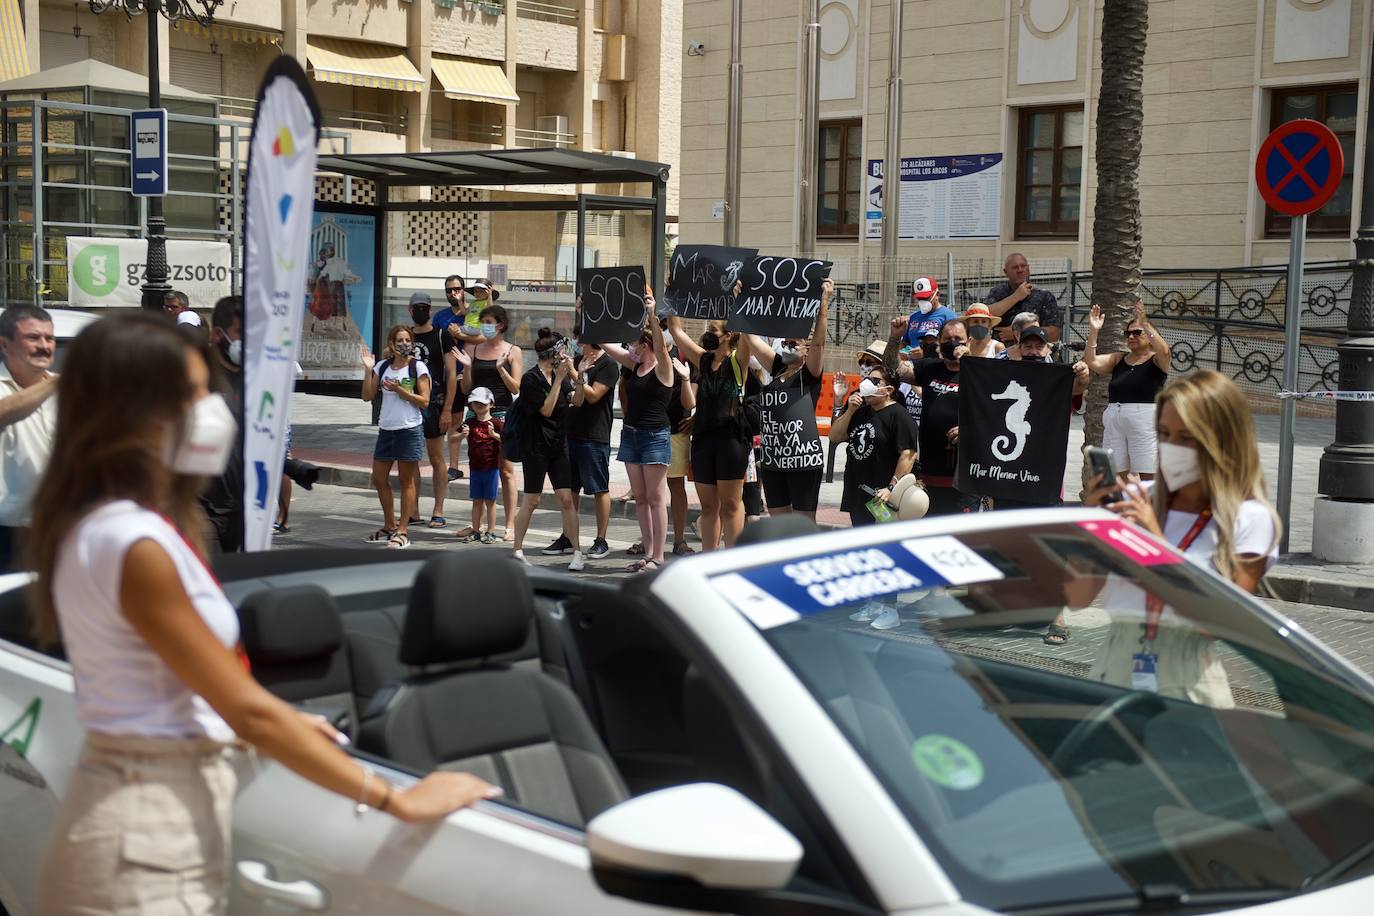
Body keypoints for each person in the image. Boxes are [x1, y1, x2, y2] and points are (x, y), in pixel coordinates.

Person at [28, 314, 498, 914]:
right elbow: (244, 709)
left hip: (157, 813)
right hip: (140, 832)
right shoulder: (130, 541)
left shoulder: (126, 525)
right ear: (134, 411)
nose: (212, 409)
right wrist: (393, 799)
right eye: (194, 394)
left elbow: (177, 685)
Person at [1080, 370, 1280, 701]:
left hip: (1186, 681)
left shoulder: (1250, 519)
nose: (1171, 447)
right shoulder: (1140, 497)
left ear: (1221, 440)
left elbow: (1216, 624)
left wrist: (1154, 541)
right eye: (1164, 433)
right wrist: (1093, 528)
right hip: (1111, 668)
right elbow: (1078, 596)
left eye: (1186, 437)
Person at [599, 295, 675, 571]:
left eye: (633, 344)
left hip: (655, 436)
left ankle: (659, 556)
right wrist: (587, 317)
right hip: (631, 434)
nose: (629, 349)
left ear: (646, 345)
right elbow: (607, 347)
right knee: (641, 498)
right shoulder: (636, 365)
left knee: (656, 498)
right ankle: (647, 552)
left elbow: (663, 351)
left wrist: (653, 316)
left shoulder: (663, 369)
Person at [748, 278, 833, 520]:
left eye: (793, 344)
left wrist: (823, 304)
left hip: (803, 460)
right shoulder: (776, 368)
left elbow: (819, 343)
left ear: (805, 350)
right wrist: (740, 302)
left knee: (803, 527)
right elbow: (751, 339)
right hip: (774, 459)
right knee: (780, 525)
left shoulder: (809, 374)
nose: (787, 346)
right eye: (784, 343)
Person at [668, 314, 755, 551]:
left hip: (731, 441)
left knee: (731, 505)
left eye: (713, 331)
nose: (707, 334)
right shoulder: (703, 360)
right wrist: (674, 296)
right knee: (708, 507)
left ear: (728, 336)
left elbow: (748, 333)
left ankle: (733, 560)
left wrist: (743, 301)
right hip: (703, 441)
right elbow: (676, 331)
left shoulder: (738, 362)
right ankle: (709, 557)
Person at [511, 329, 584, 570]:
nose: (565, 355)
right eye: (562, 351)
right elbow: (546, 410)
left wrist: (579, 377)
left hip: (558, 445)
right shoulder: (530, 379)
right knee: (532, 500)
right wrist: (560, 380)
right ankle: (518, 549)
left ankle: (577, 552)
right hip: (536, 446)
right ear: (552, 354)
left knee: (566, 499)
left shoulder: (560, 375)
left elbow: (579, 401)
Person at [549, 332, 620, 559]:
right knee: (570, 489)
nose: (576, 344)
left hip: (595, 435)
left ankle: (601, 540)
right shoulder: (577, 360)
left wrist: (574, 372)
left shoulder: (608, 365)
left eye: (579, 339)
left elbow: (593, 396)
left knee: (599, 488)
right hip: (571, 432)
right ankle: (568, 536)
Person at [360, 325, 430, 549]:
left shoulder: (417, 367)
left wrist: (401, 391)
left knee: (405, 480)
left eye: (407, 340)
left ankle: (403, 531)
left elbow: (425, 401)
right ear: (391, 343)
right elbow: (367, 396)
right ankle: (389, 524)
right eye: (399, 340)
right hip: (386, 428)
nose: (404, 344)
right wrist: (368, 370)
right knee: (378, 478)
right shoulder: (382, 366)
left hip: (409, 429)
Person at [1084, 301, 1171, 479]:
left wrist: (1145, 323)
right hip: (1115, 416)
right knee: (1117, 472)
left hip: (1144, 418)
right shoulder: (1119, 358)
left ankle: (1149, 506)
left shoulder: (1156, 360)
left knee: (1148, 472)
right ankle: (1127, 504)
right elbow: (1091, 361)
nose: (1131, 336)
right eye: (1127, 333)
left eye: (1136, 333)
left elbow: (1165, 351)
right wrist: (1094, 331)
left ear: (1148, 336)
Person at [0, 305, 57, 572]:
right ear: (4, 344)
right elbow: (5, 412)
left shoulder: (72, 388)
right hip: (10, 531)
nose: (44, 346)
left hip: (61, 524)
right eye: (33, 338)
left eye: (49, 338)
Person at [457, 304, 521, 539]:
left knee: (505, 470)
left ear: (500, 325)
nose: (485, 326)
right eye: (482, 322)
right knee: (478, 465)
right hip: (476, 413)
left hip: (502, 413)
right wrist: (466, 367)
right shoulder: (475, 349)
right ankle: (477, 526)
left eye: (489, 322)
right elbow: (466, 388)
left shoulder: (512, 351)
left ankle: (510, 524)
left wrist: (501, 369)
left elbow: (516, 387)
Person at [829, 364, 917, 530]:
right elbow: (835, 437)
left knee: (885, 541)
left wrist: (891, 488)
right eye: (867, 379)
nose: (867, 383)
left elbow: (908, 454)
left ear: (889, 390)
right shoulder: (861, 412)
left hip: (882, 496)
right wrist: (847, 408)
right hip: (858, 491)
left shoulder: (899, 415)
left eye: (875, 381)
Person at [910, 320, 978, 516]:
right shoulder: (929, 367)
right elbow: (893, 370)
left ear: (969, 341)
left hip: (965, 479)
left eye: (959, 339)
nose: (954, 343)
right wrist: (895, 337)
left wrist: (970, 361)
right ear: (939, 342)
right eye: (948, 339)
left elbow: (994, 416)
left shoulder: (981, 371)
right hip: (930, 475)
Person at [407, 291, 459, 527]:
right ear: (410, 310)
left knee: (436, 457)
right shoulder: (404, 336)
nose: (420, 311)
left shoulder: (442, 336)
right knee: (410, 459)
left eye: (424, 307)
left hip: (435, 405)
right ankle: (412, 510)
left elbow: (451, 375)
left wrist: (448, 409)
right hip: (408, 403)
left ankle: (438, 510)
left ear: (429, 310)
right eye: (416, 307)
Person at [201, 296, 246, 553]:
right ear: (218, 334)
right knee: (213, 576)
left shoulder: (254, 380)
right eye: (240, 333)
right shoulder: (198, 376)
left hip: (240, 506)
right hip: (201, 505)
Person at [985, 252, 1062, 341]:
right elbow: (986, 314)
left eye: (1023, 266)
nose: (1020, 270)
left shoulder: (1044, 296)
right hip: (1002, 352)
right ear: (1006, 272)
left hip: (1034, 351)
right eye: (1015, 267)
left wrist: (1019, 333)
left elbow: (1055, 333)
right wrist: (1016, 296)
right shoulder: (997, 292)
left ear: (1028, 268)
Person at [460, 386, 504, 543]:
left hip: (491, 467)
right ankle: (476, 530)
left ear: (491, 404)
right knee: (476, 501)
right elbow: (453, 438)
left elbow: (508, 441)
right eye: (475, 403)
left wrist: (494, 435)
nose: (478, 406)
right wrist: (461, 435)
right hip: (475, 468)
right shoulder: (470, 422)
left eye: (482, 403)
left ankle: (491, 531)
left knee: (490, 501)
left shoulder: (497, 423)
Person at [666, 347, 697, 556]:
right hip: (647, 430)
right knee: (649, 492)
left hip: (677, 430)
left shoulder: (685, 357)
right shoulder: (642, 352)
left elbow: (692, 399)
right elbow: (626, 387)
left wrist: (695, 417)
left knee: (676, 486)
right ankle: (648, 540)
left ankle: (679, 540)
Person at [901, 277, 957, 346]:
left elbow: (951, 344)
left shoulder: (948, 316)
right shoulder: (913, 317)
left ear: (937, 295)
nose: (922, 301)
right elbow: (905, 342)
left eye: (926, 298)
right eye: (919, 298)